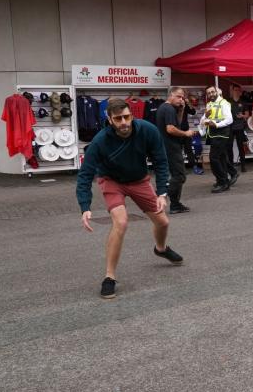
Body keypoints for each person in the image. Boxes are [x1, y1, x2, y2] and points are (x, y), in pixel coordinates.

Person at [76, 98, 183, 299]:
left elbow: (161, 160)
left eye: (126, 117)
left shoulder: (148, 130)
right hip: (112, 181)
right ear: (109, 119)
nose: (124, 122)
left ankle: (160, 249)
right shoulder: (100, 141)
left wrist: (162, 192)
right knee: (121, 222)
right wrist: (85, 206)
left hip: (139, 180)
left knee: (163, 222)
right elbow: (85, 174)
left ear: (132, 115)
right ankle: (109, 277)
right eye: (118, 119)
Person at [155, 86, 197, 214]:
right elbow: (170, 129)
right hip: (170, 147)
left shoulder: (169, 109)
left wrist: (182, 109)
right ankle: (161, 194)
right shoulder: (167, 108)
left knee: (176, 175)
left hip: (169, 146)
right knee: (179, 176)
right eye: (178, 96)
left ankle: (175, 204)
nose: (181, 99)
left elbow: (176, 123)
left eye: (182, 97)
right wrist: (185, 133)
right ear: (171, 95)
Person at [203, 86, 236, 193]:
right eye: (209, 93)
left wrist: (216, 125)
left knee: (213, 158)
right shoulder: (209, 104)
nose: (211, 94)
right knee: (221, 157)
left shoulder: (224, 103)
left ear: (216, 92)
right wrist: (205, 118)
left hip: (222, 134)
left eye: (213, 92)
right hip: (212, 134)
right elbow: (205, 119)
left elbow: (230, 119)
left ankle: (223, 181)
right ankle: (229, 175)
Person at [228, 83, 250, 172]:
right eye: (235, 90)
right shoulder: (227, 102)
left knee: (241, 147)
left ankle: (243, 166)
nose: (236, 92)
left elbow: (247, 115)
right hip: (229, 128)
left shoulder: (243, 102)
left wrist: (243, 116)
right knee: (229, 147)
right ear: (232, 91)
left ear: (240, 92)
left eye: (238, 90)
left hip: (240, 127)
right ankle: (230, 166)